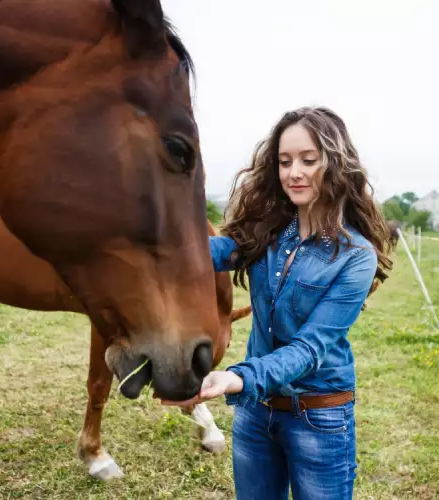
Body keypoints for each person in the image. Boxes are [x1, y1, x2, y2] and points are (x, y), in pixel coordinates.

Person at [162, 106, 392, 499]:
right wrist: (148, 233)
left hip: (318, 417)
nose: (293, 173)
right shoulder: (267, 234)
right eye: (285, 162)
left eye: (308, 160)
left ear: (335, 164)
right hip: (256, 412)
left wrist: (237, 377)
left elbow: (310, 348)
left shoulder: (356, 256)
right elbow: (206, 252)